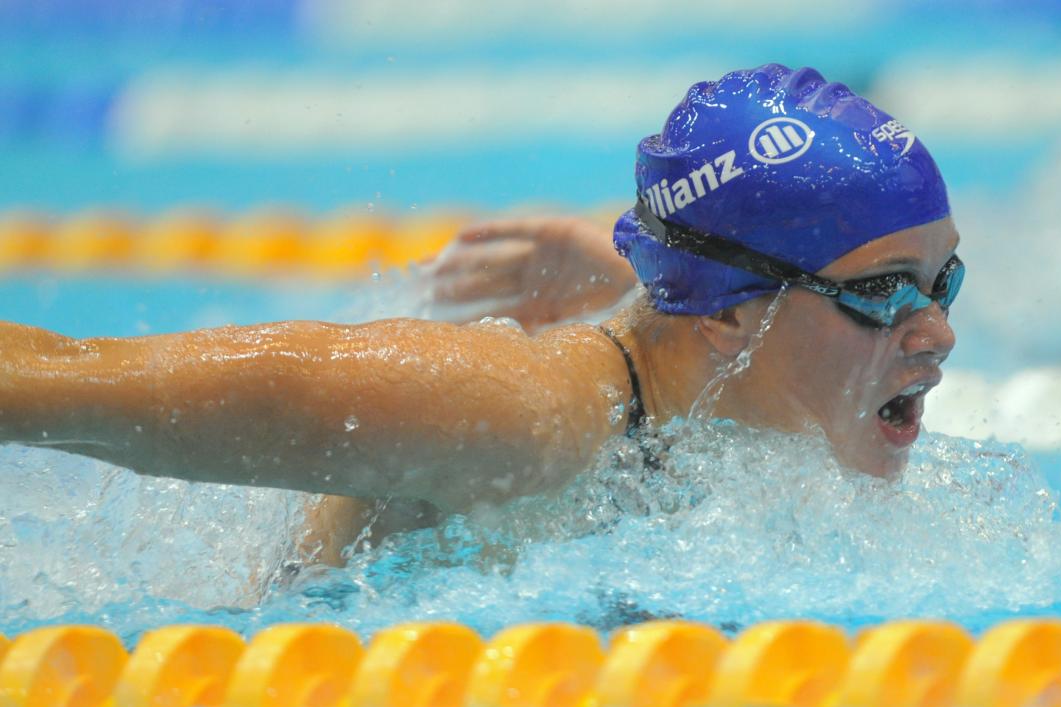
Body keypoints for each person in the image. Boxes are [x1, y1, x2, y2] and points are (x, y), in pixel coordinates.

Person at [0, 65, 962, 567]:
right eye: (882, 292)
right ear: (727, 317)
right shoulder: (521, 417)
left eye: (941, 279)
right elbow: (88, 376)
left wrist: (624, 280)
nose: (937, 332)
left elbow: (685, 310)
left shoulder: (714, 376)